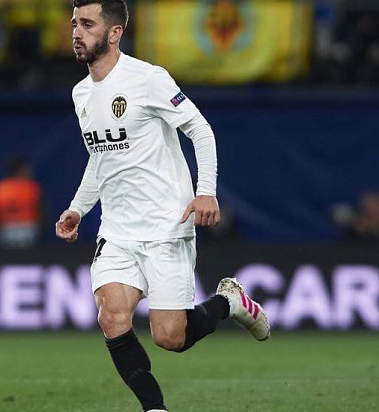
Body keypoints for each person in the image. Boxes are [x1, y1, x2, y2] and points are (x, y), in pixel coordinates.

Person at [54, 2, 270, 411]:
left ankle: (230, 302)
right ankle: (155, 409)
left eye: (87, 24)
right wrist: (78, 208)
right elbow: (101, 157)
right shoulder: (80, 92)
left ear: (114, 33)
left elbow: (200, 130)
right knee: (111, 317)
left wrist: (206, 191)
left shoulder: (148, 79)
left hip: (165, 227)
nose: (76, 33)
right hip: (117, 232)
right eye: (73, 24)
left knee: (171, 336)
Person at [0, 156, 43, 248]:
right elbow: (41, 211)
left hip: (5, 230)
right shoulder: (31, 187)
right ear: (19, 170)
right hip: (27, 229)